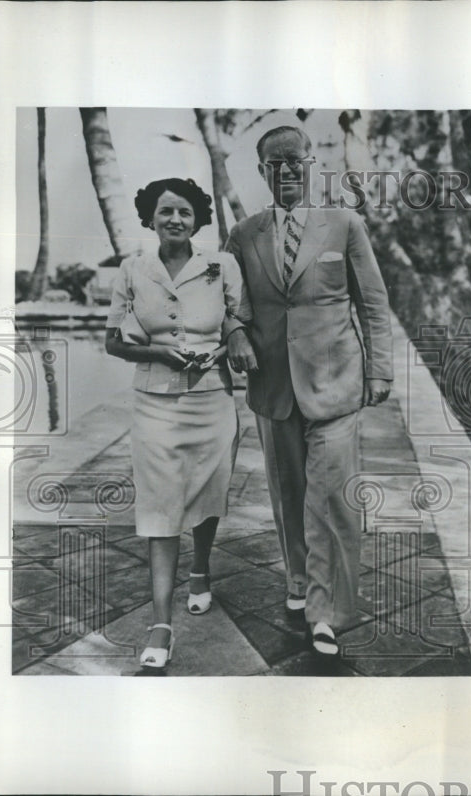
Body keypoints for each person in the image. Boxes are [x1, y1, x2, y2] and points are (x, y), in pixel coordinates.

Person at [224, 125, 394, 657]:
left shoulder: (344, 224)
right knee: (288, 495)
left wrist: (380, 369)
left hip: (336, 383)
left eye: (295, 160)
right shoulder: (242, 235)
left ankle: (327, 613)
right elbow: (227, 303)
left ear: (311, 163)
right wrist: (233, 333)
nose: (287, 171)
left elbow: (372, 302)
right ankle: (298, 581)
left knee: (333, 499)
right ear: (262, 173)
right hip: (273, 388)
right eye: (275, 164)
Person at [105, 177, 248, 671]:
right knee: (160, 505)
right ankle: (161, 624)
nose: (175, 220)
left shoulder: (221, 265)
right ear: (150, 218)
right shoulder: (131, 270)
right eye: (165, 212)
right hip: (155, 403)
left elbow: (240, 322)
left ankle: (201, 569)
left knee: (209, 492)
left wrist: (227, 348)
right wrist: (158, 352)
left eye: (185, 213)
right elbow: (114, 342)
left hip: (212, 400)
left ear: (197, 220)